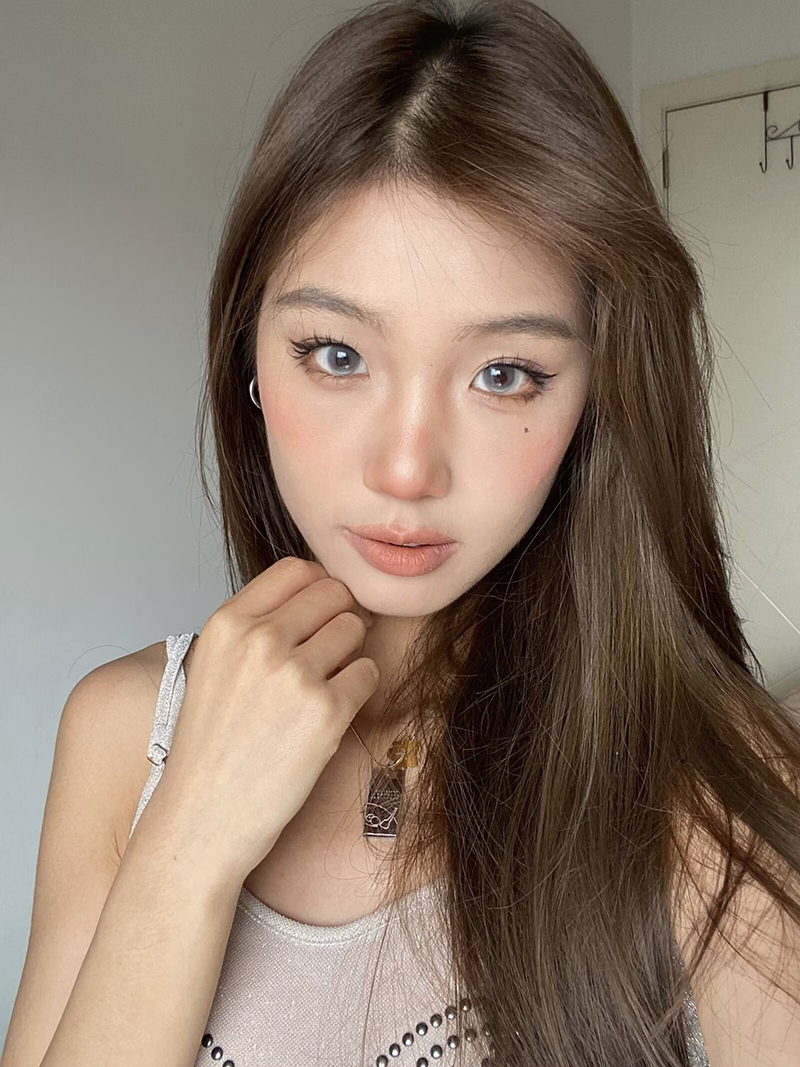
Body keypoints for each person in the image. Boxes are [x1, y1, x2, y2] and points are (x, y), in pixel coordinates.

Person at [5, 1, 800, 1065]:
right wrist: (187, 840)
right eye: (337, 355)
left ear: (596, 398)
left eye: (504, 373)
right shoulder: (124, 736)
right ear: (249, 358)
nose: (406, 469)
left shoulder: (708, 787)